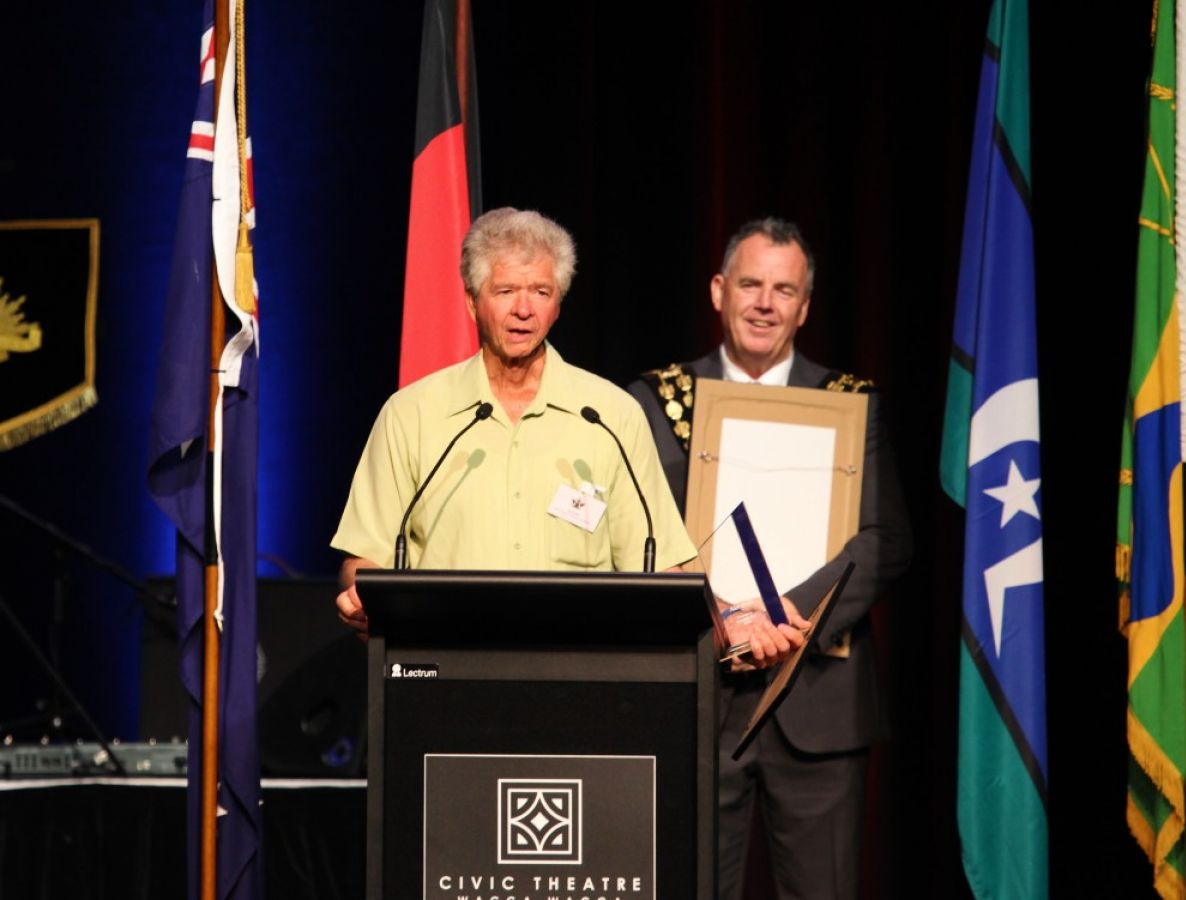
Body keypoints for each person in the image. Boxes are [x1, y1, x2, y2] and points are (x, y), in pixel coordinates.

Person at [333, 206, 806, 665]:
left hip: (580, 680)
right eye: (505, 291)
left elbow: (661, 567)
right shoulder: (412, 414)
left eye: (540, 291)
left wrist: (730, 618)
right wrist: (365, 597)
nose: (523, 309)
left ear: (558, 304)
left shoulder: (609, 417)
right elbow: (365, 559)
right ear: (472, 300)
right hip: (441, 672)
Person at [628, 217, 913, 900]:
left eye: (783, 290)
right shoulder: (659, 401)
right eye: (750, 284)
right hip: (699, 697)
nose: (764, 303)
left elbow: (884, 539)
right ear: (719, 291)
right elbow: (639, 540)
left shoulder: (851, 405)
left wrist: (791, 611)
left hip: (819, 704)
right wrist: (723, 617)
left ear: (805, 306)